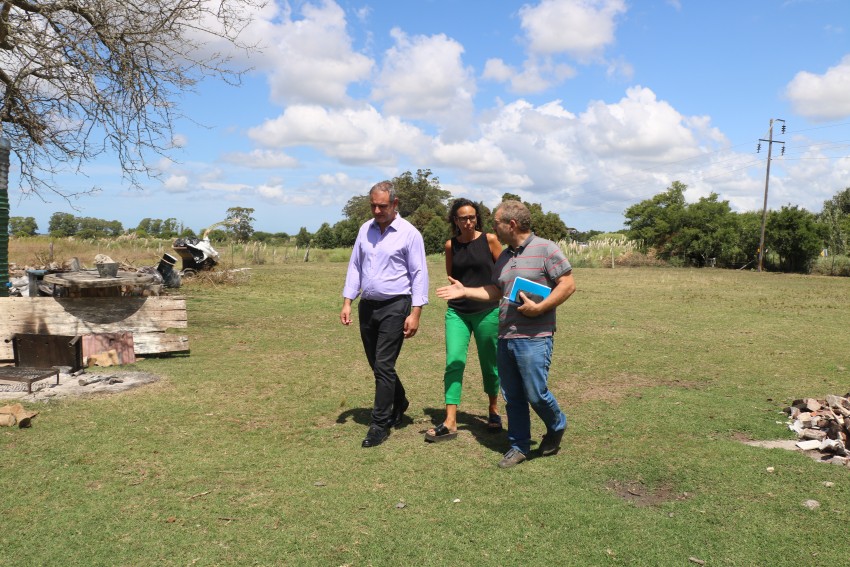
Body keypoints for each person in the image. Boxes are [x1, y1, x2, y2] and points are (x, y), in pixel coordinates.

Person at [436, 200, 575, 468]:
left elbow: (567, 284)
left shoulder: (545, 248)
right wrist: (465, 291)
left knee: (535, 393)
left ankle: (557, 423)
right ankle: (518, 445)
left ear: (511, 224)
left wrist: (541, 307)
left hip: (535, 337)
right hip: (506, 335)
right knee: (512, 396)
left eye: (496, 223)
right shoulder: (505, 256)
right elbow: (496, 291)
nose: (493, 228)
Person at [341, 180, 429, 448]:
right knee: (377, 364)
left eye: (382, 206)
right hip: (367, 306)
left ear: (395, 203)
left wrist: (416, 312)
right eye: (373, 206)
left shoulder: (409, 233)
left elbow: (419, 273)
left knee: (383, 364)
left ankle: (379, 425)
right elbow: (355, 266)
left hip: (396, 305)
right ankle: (399, 400)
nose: (377, 211)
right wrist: (347, 301)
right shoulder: (365, 229)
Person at [425, 198, 503, 442]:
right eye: (463, 218)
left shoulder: (490, 240)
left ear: (477, 218)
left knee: (490, 363)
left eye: (472, 217)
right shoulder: (451, 245)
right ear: (455, 221)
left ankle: (493, 409)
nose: (468, 222)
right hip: (457, 312)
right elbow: (452, 277)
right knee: (454, 361)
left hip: (487, 311)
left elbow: (504, 274)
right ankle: (450, 420)